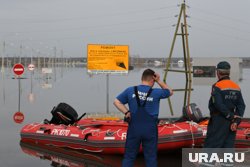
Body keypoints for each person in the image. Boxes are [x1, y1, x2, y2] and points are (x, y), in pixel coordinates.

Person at [113, 68, 173, 167]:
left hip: (134, 128)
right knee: (151, 158)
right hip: (150, 130)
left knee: (129, 157)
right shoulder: (156, 92)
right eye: (154, 81)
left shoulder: (130, 90)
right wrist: (159, 81)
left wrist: (127, 112)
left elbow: (116, 101)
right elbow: (170, 92)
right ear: (152, 80)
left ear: (142, 78)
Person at [204, 61, 245, 148]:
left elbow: (218, 104)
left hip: (219, 120)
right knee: (228, 145)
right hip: (232, 121)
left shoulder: (217, 86)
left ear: (218, 72)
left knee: (212, 144)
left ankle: (207, 162)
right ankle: (226, 162)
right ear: (228, 72)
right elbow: (241, 105)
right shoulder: (236, 87)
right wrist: (236, 120)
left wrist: (229, 116)